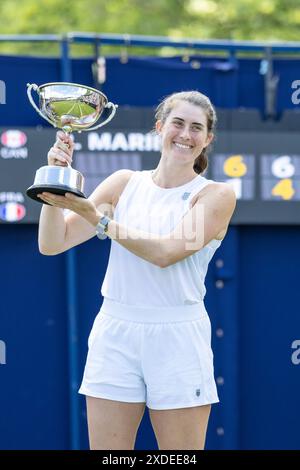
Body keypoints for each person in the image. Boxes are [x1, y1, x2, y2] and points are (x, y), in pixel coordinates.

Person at [38, 90, 236, 450]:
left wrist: (96, 218)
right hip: (114, 332)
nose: (185, 134)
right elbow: (53, 243)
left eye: (196, 128)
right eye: (177, 123)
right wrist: (57, 182)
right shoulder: (124, 183)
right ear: (159, 127)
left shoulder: (215, 195)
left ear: (207, 139)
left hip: (178, 336)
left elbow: (166, 252)